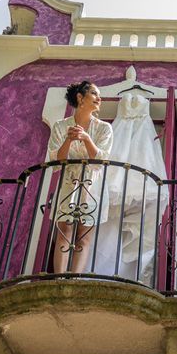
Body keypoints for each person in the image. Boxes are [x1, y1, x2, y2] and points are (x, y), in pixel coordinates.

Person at [47, 81, 113, 274]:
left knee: (84, 237)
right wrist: (69, 139)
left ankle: (74, 280)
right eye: (94, 93)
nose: (99, 98)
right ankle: (60, 281)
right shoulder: (60, 126)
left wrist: (86, 138)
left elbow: (102, 159)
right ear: (80, 97)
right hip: (69, 184)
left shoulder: (104, 128)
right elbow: (56, 159)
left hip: (94, 186)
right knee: (64, 232)